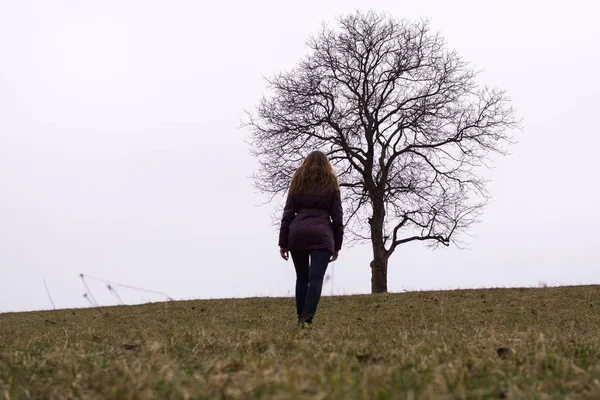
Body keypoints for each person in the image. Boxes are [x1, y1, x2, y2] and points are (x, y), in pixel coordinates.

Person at [278, 150, 344, 329]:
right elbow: (337, 218)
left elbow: (287, 214)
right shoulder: (331, 183)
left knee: (302, 278)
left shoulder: (297, 182)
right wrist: (337, 245)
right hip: (322, 235)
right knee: (316, 278)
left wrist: (283, 242)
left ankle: (301, 317)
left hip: (297, 234)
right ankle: (306, 320)